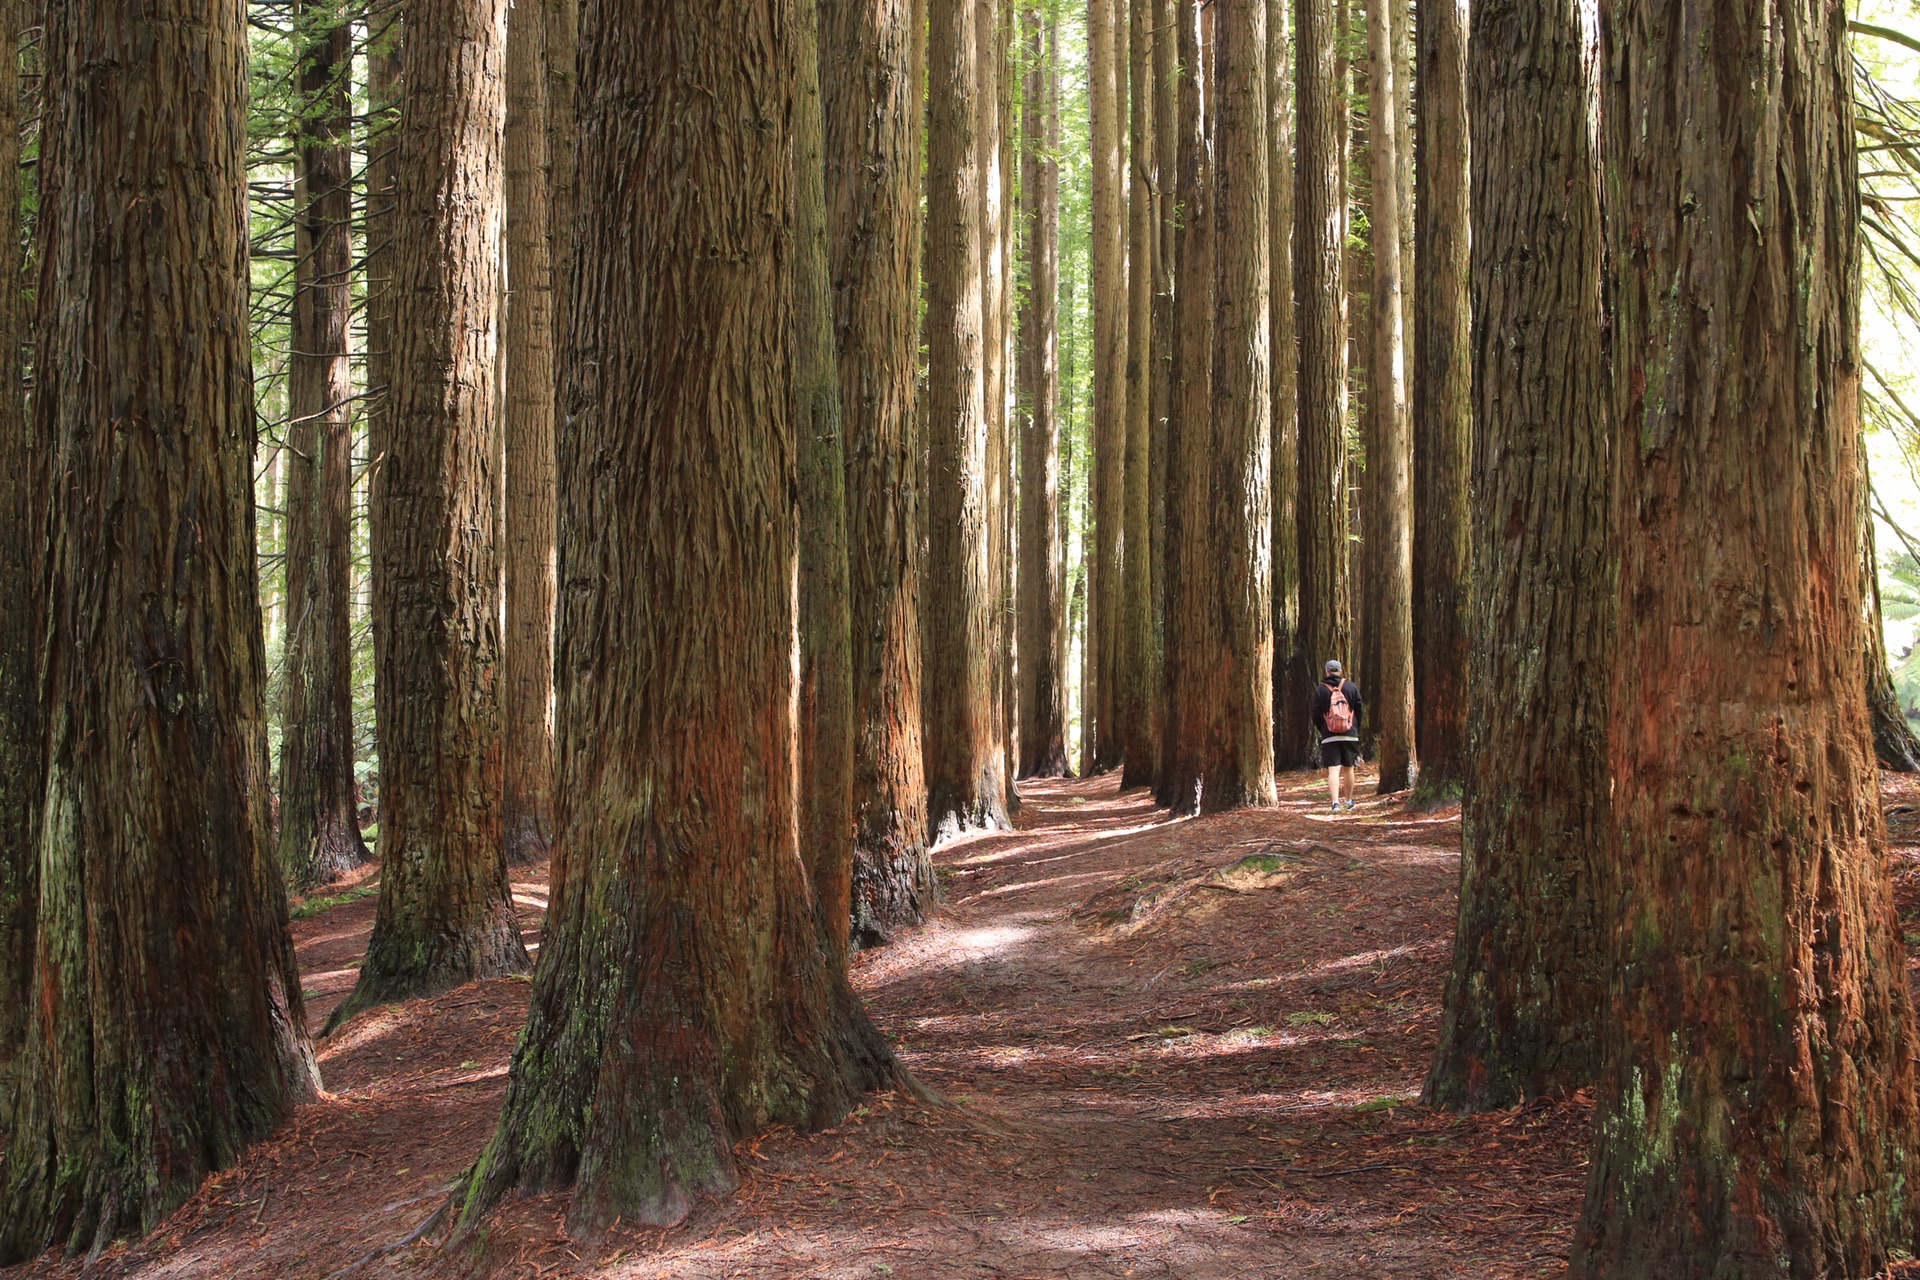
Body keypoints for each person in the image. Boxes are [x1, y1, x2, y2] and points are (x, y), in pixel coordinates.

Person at [1312, 659, 1364, 813]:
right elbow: (1359, 709)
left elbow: (1315, 713)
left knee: (1333, 770)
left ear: (1327, 671)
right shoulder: (1351, 686)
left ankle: (1335, 803)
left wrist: (1323, 728)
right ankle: (1348, 801)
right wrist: (1354, 727)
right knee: (1349, 769)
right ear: (1340, 671)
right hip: (1350, 734)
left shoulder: (1320, 690)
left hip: (1330, 735)